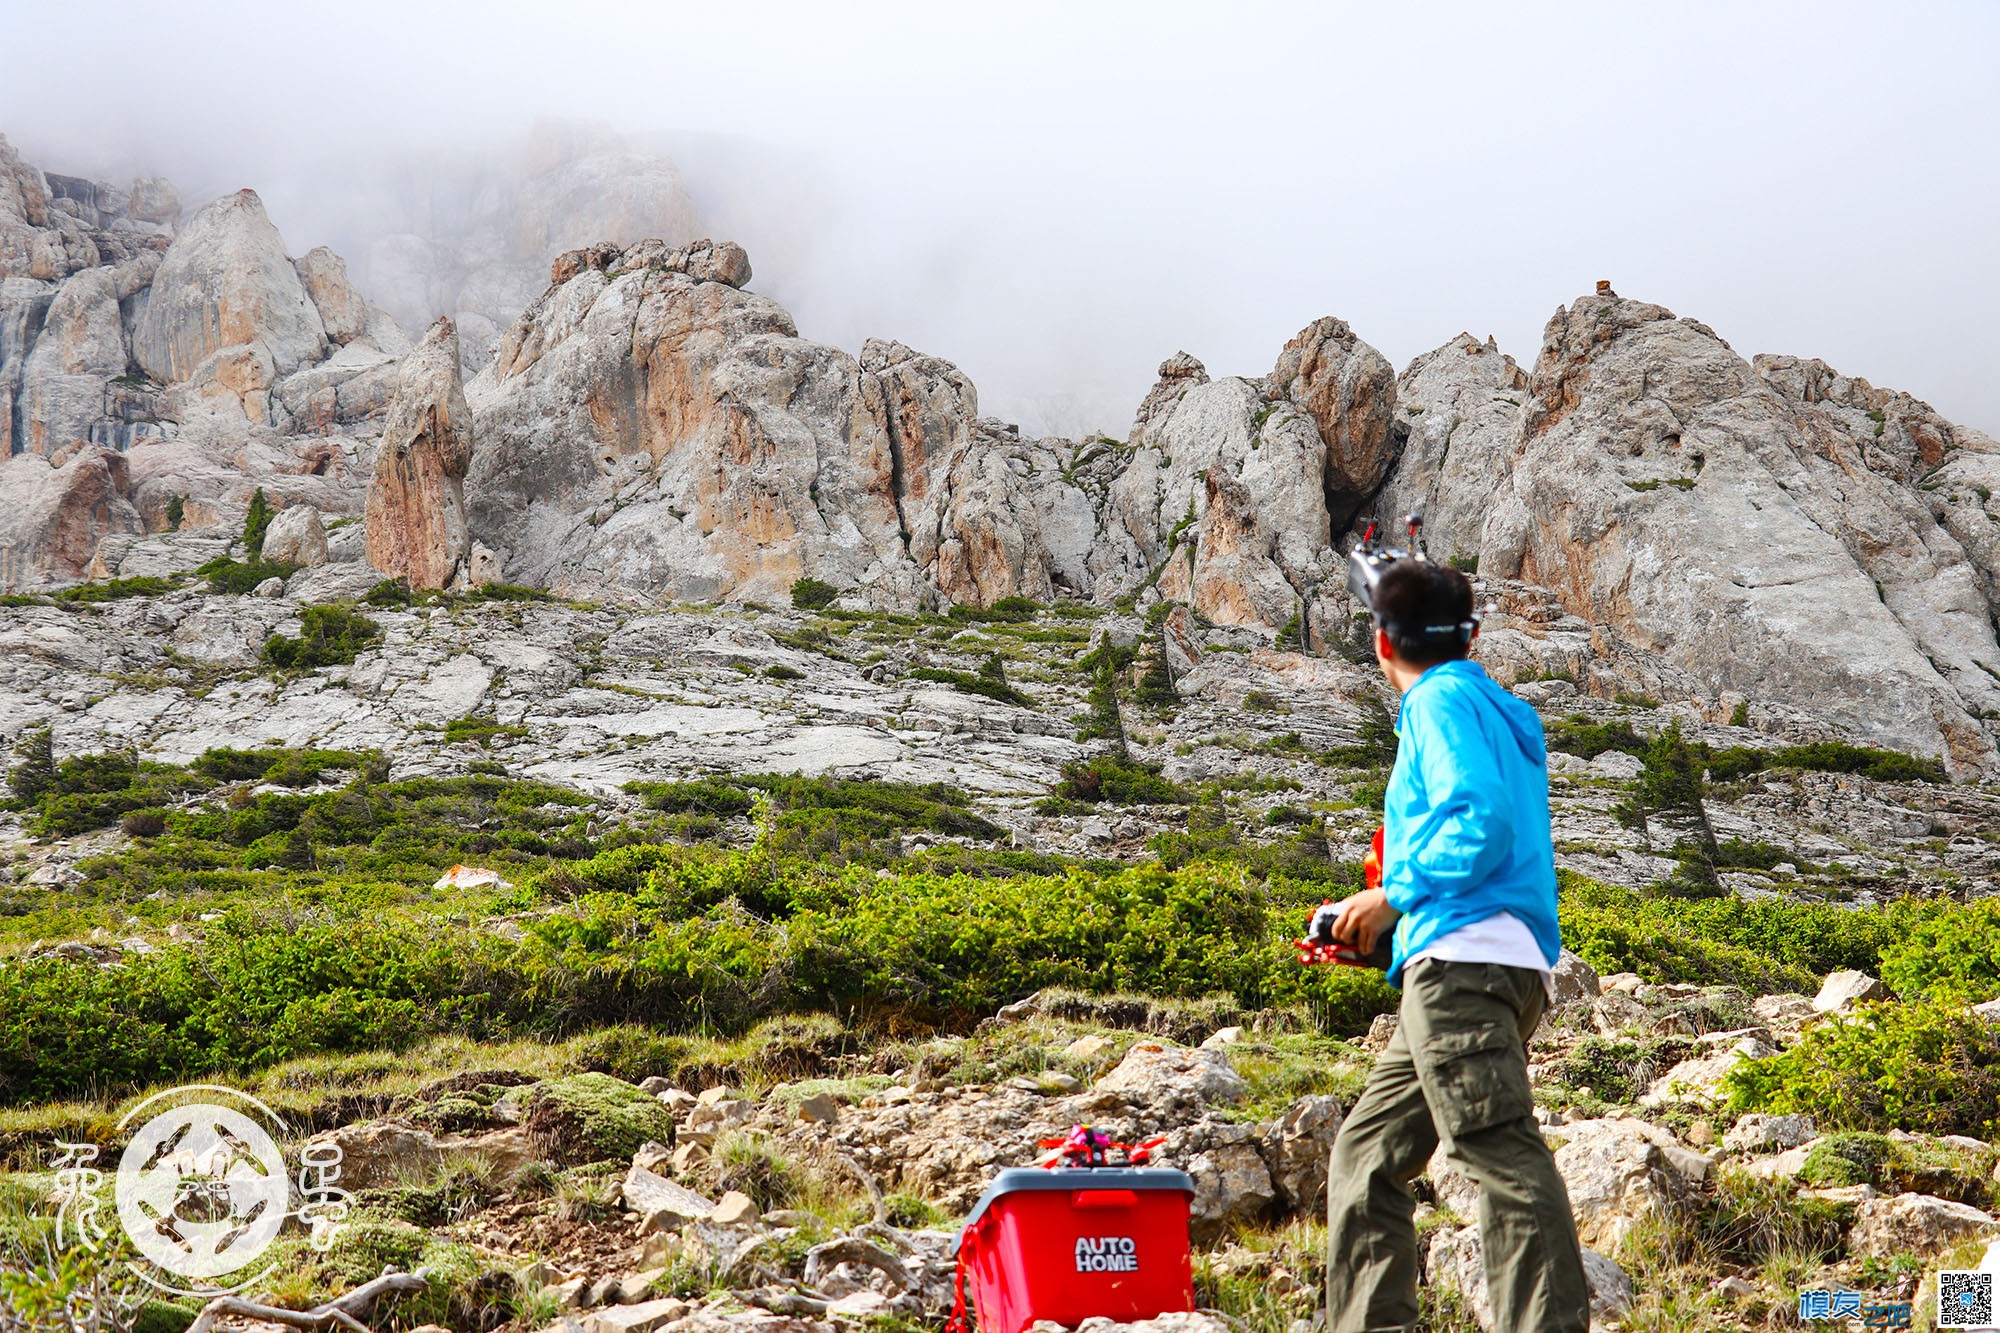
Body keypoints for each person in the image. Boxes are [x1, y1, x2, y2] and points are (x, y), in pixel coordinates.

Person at [1320, 559, 1589, 1333]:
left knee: (1500, 1155)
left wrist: (1393, 894)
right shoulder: (1493, 706)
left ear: (1380, 643)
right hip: (1487, 959)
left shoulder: (1437, 702)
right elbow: (1494, 838)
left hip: (1463, 968)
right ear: (1469, 635)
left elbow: (1479, 820)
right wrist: (1388, 925)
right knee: (1366, 1155)